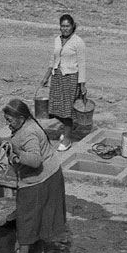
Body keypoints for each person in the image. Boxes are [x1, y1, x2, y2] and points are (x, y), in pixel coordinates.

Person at [0, 98, 67, 253]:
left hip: (39, 179)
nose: (8, 124)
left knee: (27, 216)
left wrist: (17, 155)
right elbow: (14, 141)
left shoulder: (29, 133)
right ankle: (39, 250)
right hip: (51, 174)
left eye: (9, 120)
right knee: (41, 213)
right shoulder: (25, 126)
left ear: (20, 117)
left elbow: (35, 160)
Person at [40, 14, 86, 151]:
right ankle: (69, 128)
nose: (65, 29)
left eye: (67, 26)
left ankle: (67, 138)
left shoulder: (78, 42)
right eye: (63, 26)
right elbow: (52, 60)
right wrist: (46, 77)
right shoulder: (57, 40)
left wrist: (82, 84)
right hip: (57, 77)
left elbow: (82, 64)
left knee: (67, 110)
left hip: (71, 78)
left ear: (73, 26)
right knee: (55, 109)